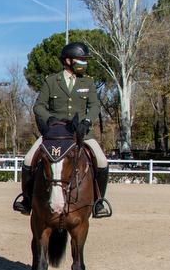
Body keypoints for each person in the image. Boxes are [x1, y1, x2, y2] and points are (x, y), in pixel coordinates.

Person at [13, 41, 111, 218]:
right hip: (55, 134)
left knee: (102, 161)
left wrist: (87, 121)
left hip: (81, 132)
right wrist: (50, 120)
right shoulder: (52, 81)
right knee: (28, 159)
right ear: (68, 61)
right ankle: (27, 200)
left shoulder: (87, 82)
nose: (84, 62)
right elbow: (39, 106)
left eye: (84, 59)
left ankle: (98, 202)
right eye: (80, 59)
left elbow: (95, 105)